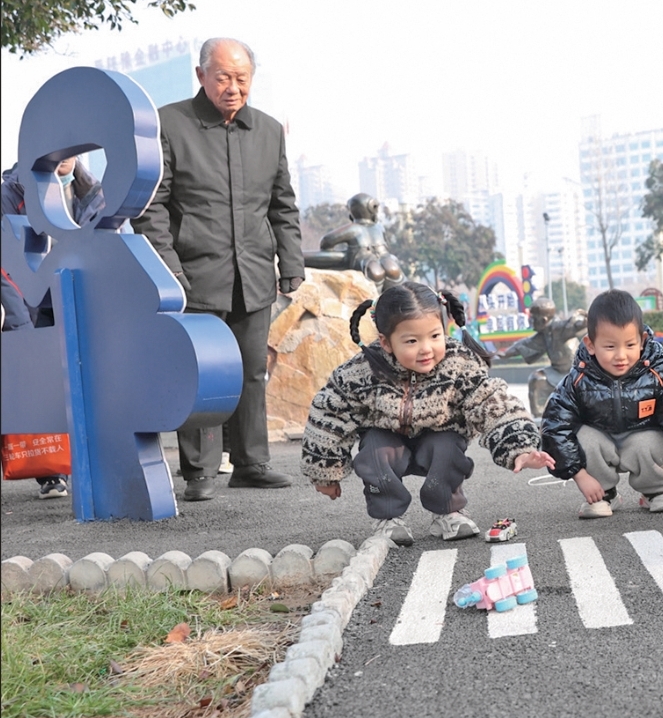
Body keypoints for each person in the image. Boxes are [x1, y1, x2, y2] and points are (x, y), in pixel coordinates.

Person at [131, 37, 306, 503]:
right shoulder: (169, 124)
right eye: (223, 77)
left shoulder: (269, 130)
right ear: (201, 75)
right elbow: (151, 207)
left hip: (253, 275)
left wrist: (291, 262)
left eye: (242, 78)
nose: (233, 88)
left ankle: (251, 464)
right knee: (201, 373)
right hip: (193, 276)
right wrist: (169, 270)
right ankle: (199, 472)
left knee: (251, 371)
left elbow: (282, 205)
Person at [300, 282, 556, 545]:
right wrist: (324, 471)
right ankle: (388, 518)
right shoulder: (361, 371)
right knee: (375, 448)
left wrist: (519, 447)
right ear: (386, 342)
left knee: (447, 445)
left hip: (438, 440)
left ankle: (448, 510)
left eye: (435, 336)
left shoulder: (458, 364)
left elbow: (491, 401)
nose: (426, 348)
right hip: (387, 442)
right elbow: (329, 414)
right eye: (412, 341)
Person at [540, 289, 663, 519]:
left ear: (642, 341)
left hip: (641, 436)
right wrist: (579, 474)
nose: (621, 355)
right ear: (590, 344)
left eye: (629, 345)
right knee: (585, 438)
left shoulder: (658, 371)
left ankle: (656, 490)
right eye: (610, 347)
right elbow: (555, 425)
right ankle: (603, 494)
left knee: (650, 440)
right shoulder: (577, 380)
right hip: (600, 441)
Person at [2, 155, 105, 499]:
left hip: (77, 296)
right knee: (42, 384)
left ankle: (91, 464)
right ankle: (51, 470)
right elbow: (5, 262)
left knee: (85, 382)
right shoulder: (12, 192)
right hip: (32, 302)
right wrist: (20, 324)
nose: (64, 156)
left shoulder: (92, 191)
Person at [494, 298, 587, 418]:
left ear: (543, 320)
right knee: (536, 379)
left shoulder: (561, 328)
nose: (531, 321)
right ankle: (539, 417)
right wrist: (505, 354)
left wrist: (584, 321)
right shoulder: (543, 335)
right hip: (556, 371)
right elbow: (524, 344)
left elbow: (578, 325)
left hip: (575, 372)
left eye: (533, 318)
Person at [303, 192, 404, 293]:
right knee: (393, 272)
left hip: (365, 262)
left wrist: (344, 255)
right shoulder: (379, 228)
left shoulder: (353, 229)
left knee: (375, 272)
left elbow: (326, 242)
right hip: (385, 258)